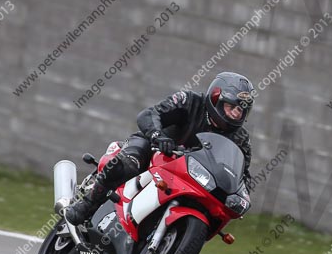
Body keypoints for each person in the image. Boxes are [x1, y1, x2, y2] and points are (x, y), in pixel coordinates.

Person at [64, 72, 254, 226]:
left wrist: (241, 194)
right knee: (126, 165)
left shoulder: (241, 139)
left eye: (241, 111)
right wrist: (157, 136)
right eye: (231, 107)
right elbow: (149, 114)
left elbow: (242, 175)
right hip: (156, 150)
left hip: (191, 178)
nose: (235, 114)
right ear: (215, 98)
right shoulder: (189, 101)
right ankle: (87, 204)